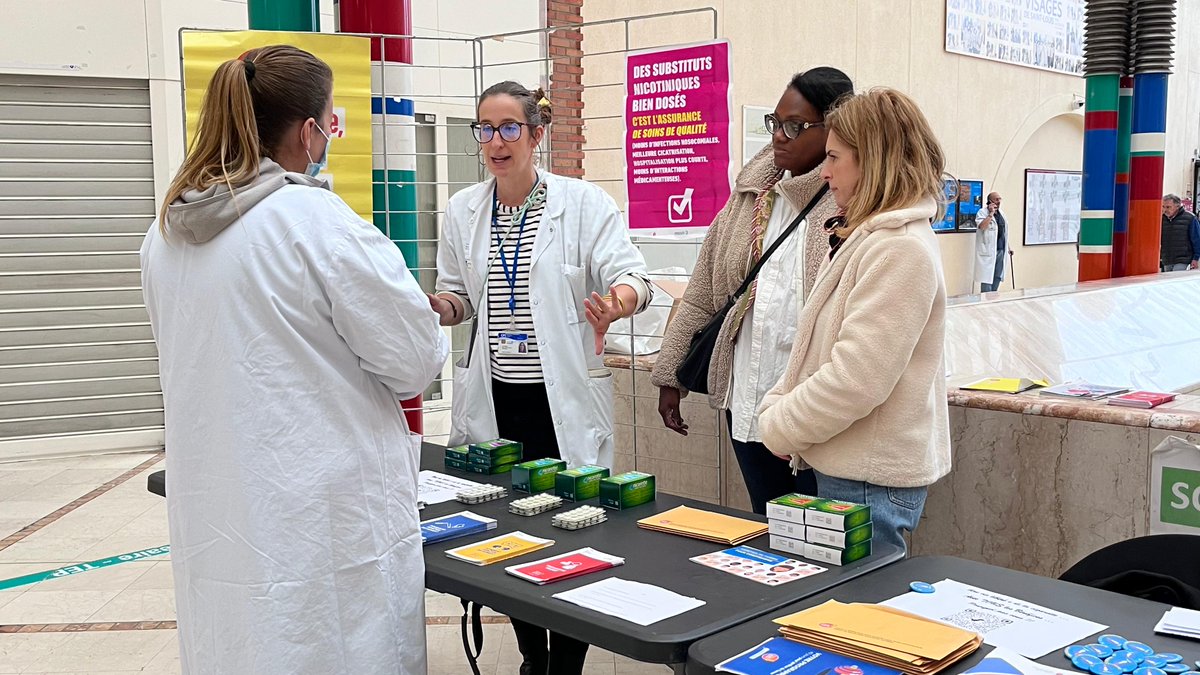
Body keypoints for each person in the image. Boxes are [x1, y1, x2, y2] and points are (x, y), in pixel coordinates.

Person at [140, 46, 447, 675]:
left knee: (239, 646)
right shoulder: (315, 221)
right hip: (321, 516)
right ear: (309, 132)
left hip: (220, 507)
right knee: (334, 647)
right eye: (330, 122)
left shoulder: (167, 232)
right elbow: (413, 363)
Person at [430, 81, 652, 675]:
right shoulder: (463, 210)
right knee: (511, 533)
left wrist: (617, 303)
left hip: (565, 403)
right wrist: (439, 307)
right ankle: (533, 658)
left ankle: (566, 667)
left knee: (577, 532)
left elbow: (633, 276)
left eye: (509, 128)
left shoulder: (582, 204)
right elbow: (459, 297)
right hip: (499, 402)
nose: (495, 141)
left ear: (536, 133)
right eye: (484, 129)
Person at [757, 88, 952, 555]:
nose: (824, 172)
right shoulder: (872, 238)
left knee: (859, 598)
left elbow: (856, 379)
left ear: (874, 161)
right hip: (853, 468)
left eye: (834, 157)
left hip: (866, 479)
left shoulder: (898, 248)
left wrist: (780, 424)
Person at [651, 67, 852, 514]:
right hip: (747, 400)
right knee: (768, 528)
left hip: (814, 412)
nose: (779, 136)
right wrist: (670, 377)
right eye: (775, 122)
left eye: (795, 126)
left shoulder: (850, 201)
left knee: (822, 539)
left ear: (833, 130)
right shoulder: (750, 196)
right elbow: (704, 291)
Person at [974, 192, 1009, 292]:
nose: (999, 201)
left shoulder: (1002, 214)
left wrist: (1008, 247)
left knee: (997, 276)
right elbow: (982, 227)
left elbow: (1003, 232)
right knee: (987, 278)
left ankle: (993, 297)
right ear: (990, 201)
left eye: (1000, 199)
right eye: (996, 199)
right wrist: (990, 214)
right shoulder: (982, 212)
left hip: (1001, 250)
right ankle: (985, 298)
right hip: (988, 251)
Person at [1160, 193, 1200, 272]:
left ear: (1177, 206)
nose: (1165, 210)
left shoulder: (1190, 218)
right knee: (1169, 278)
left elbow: (1196, 239)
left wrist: (1196, 258)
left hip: (1183, 258)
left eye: (1168, 207)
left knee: (1176, 277)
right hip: (1167, 258)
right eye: (1163, 206)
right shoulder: (1161, 219)